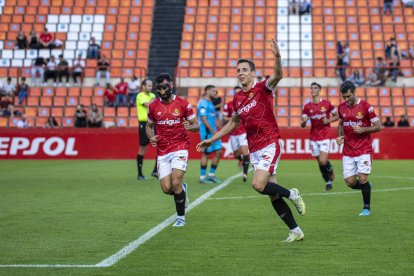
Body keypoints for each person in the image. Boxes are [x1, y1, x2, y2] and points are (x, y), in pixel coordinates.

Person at [197, 39, 306, 242]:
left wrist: (278, 57)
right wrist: (211, 139)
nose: (240, 73)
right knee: (272, 193)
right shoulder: (238, 99)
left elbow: (278, 75)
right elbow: (233, 123)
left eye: (244, 69)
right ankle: (295, 231)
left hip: (270, 142)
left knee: (257, 185)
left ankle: (292, 194)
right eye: (238, 70)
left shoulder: (263, 88)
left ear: (253, 73)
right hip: (255, 148)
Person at [146, 73, 200, 227]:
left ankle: (180, 218)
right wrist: (151, 137)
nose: (162, 92)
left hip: (180, 146)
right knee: (166, 188)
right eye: (159, 89)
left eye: (164, 88)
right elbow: (149, 127)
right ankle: (182, 190)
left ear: (170, 86)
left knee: (175, 182)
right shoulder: (153, 106)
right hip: (163, 151)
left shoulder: (183, 104)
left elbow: (196, 125)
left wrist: (191, 127)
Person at [336, 80, 382, 216]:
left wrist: (363, 129)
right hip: (348, 151)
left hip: (363, 149)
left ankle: (366, 208)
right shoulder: (341, 107)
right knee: (350, 182)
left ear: (355, 92)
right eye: (344, 97)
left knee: (362, 178)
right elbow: (340, 124)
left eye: (348, 96)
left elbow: (378, 126)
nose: (346, 99)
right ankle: (366, 186)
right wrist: (340, 137)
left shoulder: (367, 107)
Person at [301, 82, 338, 191]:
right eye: (311, 88)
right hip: (313, 137)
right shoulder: (307, 107)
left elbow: (337, 116)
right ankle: (327, 182)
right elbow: (302, 124)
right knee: (319, 162)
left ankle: (330, 169)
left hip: (325, 134)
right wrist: (304, 122)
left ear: (319, 90)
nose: (312, 90)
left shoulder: (327, 104)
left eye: (315, 88)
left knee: (323, 161)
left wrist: (328, 120)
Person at [222, 86, 250, 182]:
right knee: (235, 153)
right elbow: (224, 118)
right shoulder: (229, 104)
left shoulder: (247, 104)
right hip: (233, 132)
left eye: (239, 92)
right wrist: (234, 119)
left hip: (243, 131)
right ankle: (240, 159)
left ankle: (245, 174)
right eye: (236, 93)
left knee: (245, 151)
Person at [197, 85, 223, 184]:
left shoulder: (210, 103)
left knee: (218, 152)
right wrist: (213, 131)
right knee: (206, 154)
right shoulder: (203, 103)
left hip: (214, 132)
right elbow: (203, 120)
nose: (215, 93)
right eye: (213, 91)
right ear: (207, 91)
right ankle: (202, 176)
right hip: (208, 133)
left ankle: (211, 175)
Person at [135, 79, 156, 180]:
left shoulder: (152, 95)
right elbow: (148, 104)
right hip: (143, 124)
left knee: (160, 145)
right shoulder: (140, 96)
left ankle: (155, 170)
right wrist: (153, 101)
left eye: (151, 86)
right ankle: (140, 174)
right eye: (148, 85)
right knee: (142, 148)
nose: (150, 87)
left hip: (153, 123)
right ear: (143, 86)